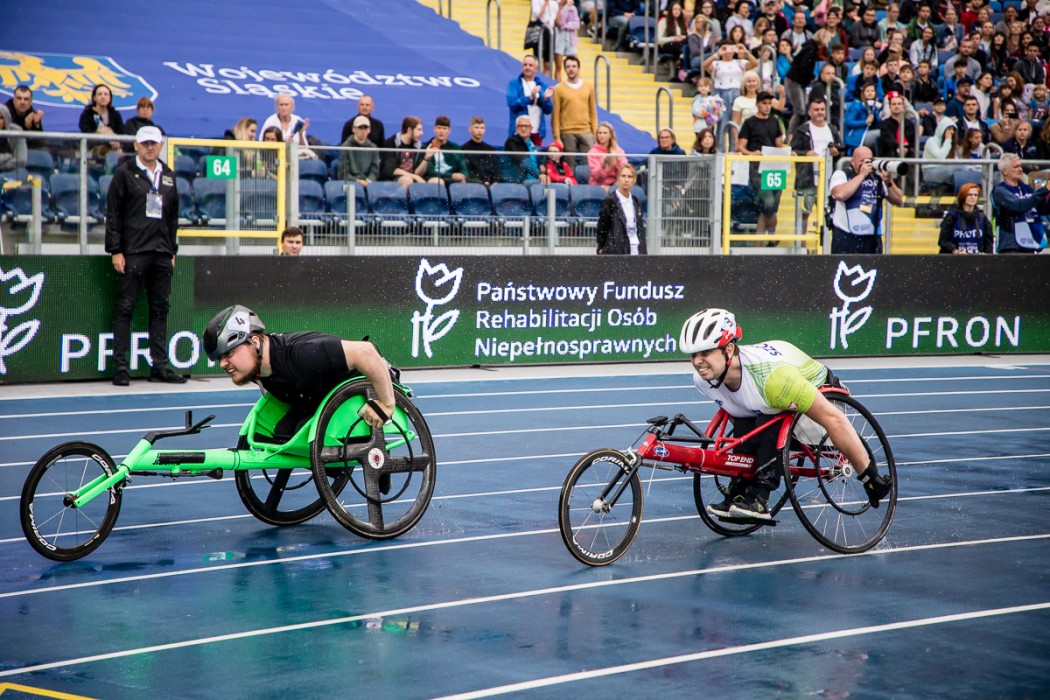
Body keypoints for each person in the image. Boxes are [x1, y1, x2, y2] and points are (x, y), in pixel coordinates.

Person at [679, 308, 892, 521]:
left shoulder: (774, 380)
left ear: (729, 349)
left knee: (770, 421)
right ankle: (742, 490)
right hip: (770, 402)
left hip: (820, 399)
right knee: (746, 425)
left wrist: (869, 477)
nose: (697, 362)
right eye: (693, 355)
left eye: (705, 353)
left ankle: (760, 499)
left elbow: (834, 419)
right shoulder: (703, 381)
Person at [202, 305, 395, 438]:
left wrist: (386, 403)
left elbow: (366, 351)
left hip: (367, 388)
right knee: (278, 434)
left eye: (229, 353)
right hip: (317, 397)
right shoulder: (257, 366)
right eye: (220, 358)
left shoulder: (302, 354)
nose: (223, 364)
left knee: (306, 434)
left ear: (255, 342)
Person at [105, 126, 185, 387]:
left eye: (154, 143)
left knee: (160, 309)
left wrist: (172, 249)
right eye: (145, 143)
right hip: (134, 251)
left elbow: (172, 217)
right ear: (136, 145)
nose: (150, 147)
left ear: (161, 145)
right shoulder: (125, 173)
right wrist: (116, 249)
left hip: (161, 252)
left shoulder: (168, 176)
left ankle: (159, 366)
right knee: (125, 307)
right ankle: (120, 367)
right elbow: (113, 213)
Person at [828, 145, 905, 254]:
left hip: (872, 237)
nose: (866, 164)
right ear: (853, 161)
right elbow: (839, 194)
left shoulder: (877, 176)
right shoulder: (842, 174)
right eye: (862, 161)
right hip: (847, 236)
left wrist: (888, 182)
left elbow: (899, 200)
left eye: (868, 161)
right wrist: (862, 175)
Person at [737, 91, 785, 242]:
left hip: (774, 166)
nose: (767, 106)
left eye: (769, 103)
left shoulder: (775, 121)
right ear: (757, 104)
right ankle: (771, 237)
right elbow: (741, 146)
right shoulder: (749, 122)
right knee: (769, 204)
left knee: (771, 207)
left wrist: (788, 151)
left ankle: (763, 241)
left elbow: (779, 144)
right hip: (757, 167)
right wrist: (752, 154)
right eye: (764, 103)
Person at [791, 98, 840, 235]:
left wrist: (836, 151)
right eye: (816, 110)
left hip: (828, 179)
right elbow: (792, 151)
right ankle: (801, 243)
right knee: (805, 213)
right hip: (807, 179)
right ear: (809, 112)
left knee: (828, 213)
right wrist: (806, 153)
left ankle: (826, 243)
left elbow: (840, 148)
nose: (820, 112)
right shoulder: (802, 130)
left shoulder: (832, 129)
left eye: (822, 109)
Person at [991, 153, 1047, 253]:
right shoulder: (1000, 190)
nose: (1020, 169)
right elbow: (1019, 206)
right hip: (1010, 246)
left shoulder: (1027, 188)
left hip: (1030, 242)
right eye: (1016, 167)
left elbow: (1042, 209)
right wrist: (1044, 190)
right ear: (1005, 171)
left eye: (1020, 166)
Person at [551, 55, 598, 166]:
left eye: (573, 66)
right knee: (568, 166)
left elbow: (593, 112)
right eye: (568, 67)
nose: (571, 69)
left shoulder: (589, 87)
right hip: (567, 132)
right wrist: (557, 137)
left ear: (578, 68)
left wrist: (595, 133)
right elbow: (555, 115)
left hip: (586, 131)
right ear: (564, 69)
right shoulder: (558, 88)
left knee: (591, 165)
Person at [595, 163, 647, 254]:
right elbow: (602, 227)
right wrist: (601, 246)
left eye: (630, 176)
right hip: (618, 250)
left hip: (637, 249)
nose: (626, 180)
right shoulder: (610, 201)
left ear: (634, 180)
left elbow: (640, 229)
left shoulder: (636, 202)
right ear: (618, 178)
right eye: (623, 176)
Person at [507, 55, 554, 146]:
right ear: (522, 67)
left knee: (535, 155)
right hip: (520, 131)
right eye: (525, 65)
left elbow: (548, 110)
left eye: (530, 65)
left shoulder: (542, 86)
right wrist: (530, 98)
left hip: (537, 132)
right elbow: (512, 104)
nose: (527, 67)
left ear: (536, 68)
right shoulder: (514, 84)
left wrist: (546, 100)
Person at [939, 183, 995, 254]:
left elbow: (989, 245)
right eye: (969, 195)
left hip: (977, 258)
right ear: (963, 196)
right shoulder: (952, 216)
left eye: (975, 195)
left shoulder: (982, 218)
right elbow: (943, 241)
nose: (973, 197)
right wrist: (955, 251)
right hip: (955, 258)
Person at [379, 116, 426, 188]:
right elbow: (391, 170)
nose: (422, 133)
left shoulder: (419, 146)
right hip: (391, 180)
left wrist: (426, 159)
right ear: (409, 130)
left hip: (411, 179)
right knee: (407, 180)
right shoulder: (391, 143)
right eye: (419, 130)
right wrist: (415, 177)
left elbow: (417, 173)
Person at [79, 84, 125, 154]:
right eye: (100, 94)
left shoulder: (115, 114)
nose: (103, 97)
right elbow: (86, 134)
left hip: (114, 150)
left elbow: (122, 133)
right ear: (94, 98)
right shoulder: (87, 114)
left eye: (106, 94)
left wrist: (117, 142)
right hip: (93, 150)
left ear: (110, 98)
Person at [422, 115, 468, 185]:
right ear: (434, 129)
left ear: (449, 131)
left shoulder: (455, 148)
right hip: (434, 179)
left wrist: (463, 176)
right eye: (439, 128)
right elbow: (430, 172)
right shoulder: (426, 147)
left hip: (454, 181)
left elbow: (464, 168)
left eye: (444, 129)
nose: (441, 131)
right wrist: (451, 175)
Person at [503, 115, 548, 184]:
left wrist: (542, 165)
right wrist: (539, 174)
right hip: (517, 182)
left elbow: (541, 165)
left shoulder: (535, 146)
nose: (523, 129)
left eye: (526, 126)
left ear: (531, 128)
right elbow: (523, 162)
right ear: (516, 128)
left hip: (536, 182)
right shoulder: (511, 142)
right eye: (521, 126)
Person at [338, 115, 380, 185]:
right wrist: (358, 181)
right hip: (350, 183)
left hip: (369, 184)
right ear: (353, 129)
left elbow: (375, 171)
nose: (363, 131)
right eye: (360, 128)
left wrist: (369, 181)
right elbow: (343, 174)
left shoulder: (373, 148)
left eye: (365, 128)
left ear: (369, 130)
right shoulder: (345, 147)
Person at [461, 116, 502, 186]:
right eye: (476, 127)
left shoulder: (490, 150)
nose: (479, 130)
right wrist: (483, 182)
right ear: (470, 129)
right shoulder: (464, 149)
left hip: (492, 185)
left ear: (484, 130)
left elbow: (496, 169)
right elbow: (467, 171)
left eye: (482, 128)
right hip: (474, 184)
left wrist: (495, 181)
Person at [587, 121, 628, 187]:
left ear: (610, 135)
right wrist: (604, 165)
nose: (602, 135)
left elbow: (624, 171)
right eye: (599, 133)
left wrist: (618, 160)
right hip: (598, 186)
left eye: (605, 133)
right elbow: (596, 176)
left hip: (615, 185)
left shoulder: (618, 150)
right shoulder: (592, 152)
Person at [0, 104, 27, 173]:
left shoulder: (16, 131)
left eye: (0, 118)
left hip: (12, 172)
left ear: (6, 119)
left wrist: (4, 166)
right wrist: (8, 157)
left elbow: (21, 160)